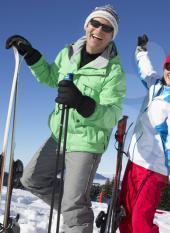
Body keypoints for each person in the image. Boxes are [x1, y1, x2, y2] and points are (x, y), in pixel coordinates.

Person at [5, 4, 126, 233]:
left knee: (73, 205)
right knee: (32, 179)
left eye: (107, 28)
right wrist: (32, 56)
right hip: (60, 133)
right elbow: (52, 77)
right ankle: (78, 215)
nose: (99, 30)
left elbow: (112, 114)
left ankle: (76, 218)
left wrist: (83, 103)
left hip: (87, 142)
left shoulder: (113, 71)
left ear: (112, 36)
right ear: (87, 25)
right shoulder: (69, 53)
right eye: (95, 23)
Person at [118, 35, 170, 233]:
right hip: (135, 160)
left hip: (154, 168)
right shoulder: (156, 84)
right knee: (124, 216)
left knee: (140, 223)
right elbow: (145, 69)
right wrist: (141, 51)